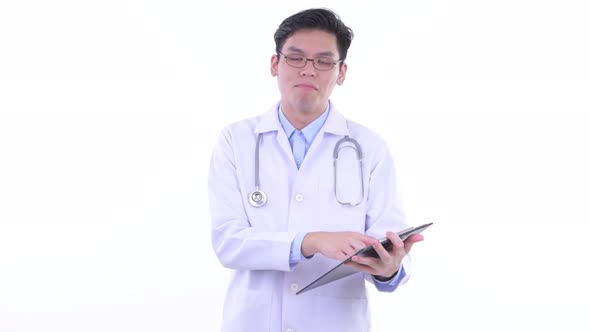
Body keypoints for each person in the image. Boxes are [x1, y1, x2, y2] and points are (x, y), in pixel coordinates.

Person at [208, 8, 424, 332]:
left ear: (342, 72)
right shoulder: (235, 140)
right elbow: (228, 241)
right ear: (274, 64)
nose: (309, 70)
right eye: (296, 58)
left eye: (324, 61)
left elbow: (387, 249)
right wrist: (311, 241)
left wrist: (388, 268)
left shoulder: (371, 148)